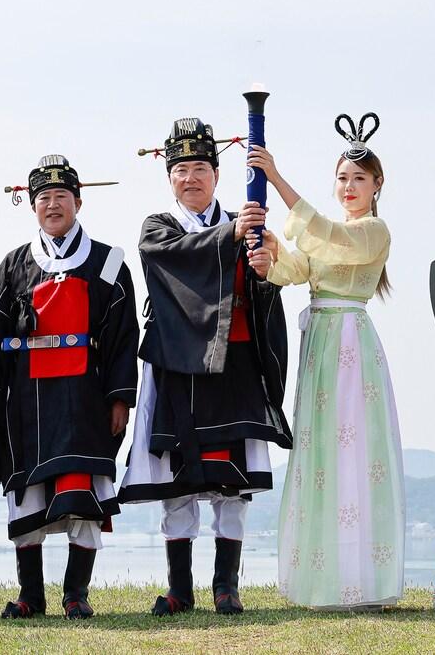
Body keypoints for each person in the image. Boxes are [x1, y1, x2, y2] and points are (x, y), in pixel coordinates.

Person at [119, 118, 291, 616]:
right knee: (180, 482)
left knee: (231, 484)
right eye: (180, 169)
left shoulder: (247, 226)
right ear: (169, 177)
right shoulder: (159, 227)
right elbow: (167, 258)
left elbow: (262, 292)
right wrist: (228, 235)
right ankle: (180, 588)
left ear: (216, 175)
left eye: (200, 168)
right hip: (177, 366)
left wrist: (266, 268)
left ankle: (226, 586)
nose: (190, 178)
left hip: (235, 363)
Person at [248, 113, 407, 609]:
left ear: (378, 185)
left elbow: (327, 239)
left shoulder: (373, 231)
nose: (349, 186)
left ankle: (360, 577)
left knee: (352, 449)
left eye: (359, 178)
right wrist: (271, 253)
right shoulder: (330, 232)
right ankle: (321, 576)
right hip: (319, 342)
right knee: (319, 452)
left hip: (349, 344)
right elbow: (301, 268)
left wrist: (275, 178)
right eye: (342, 178)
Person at [0, 156, 139, 619]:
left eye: (61, 197)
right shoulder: (13, 266)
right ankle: (31, 595)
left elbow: (122, 338)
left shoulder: (107, 263)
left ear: (78, 201)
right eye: (43, 198)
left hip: (85, 398)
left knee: (83, 494)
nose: (53, 206)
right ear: (33, 206)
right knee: (26, 495)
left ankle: (77, 594)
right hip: (26, 401)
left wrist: (119, 397)